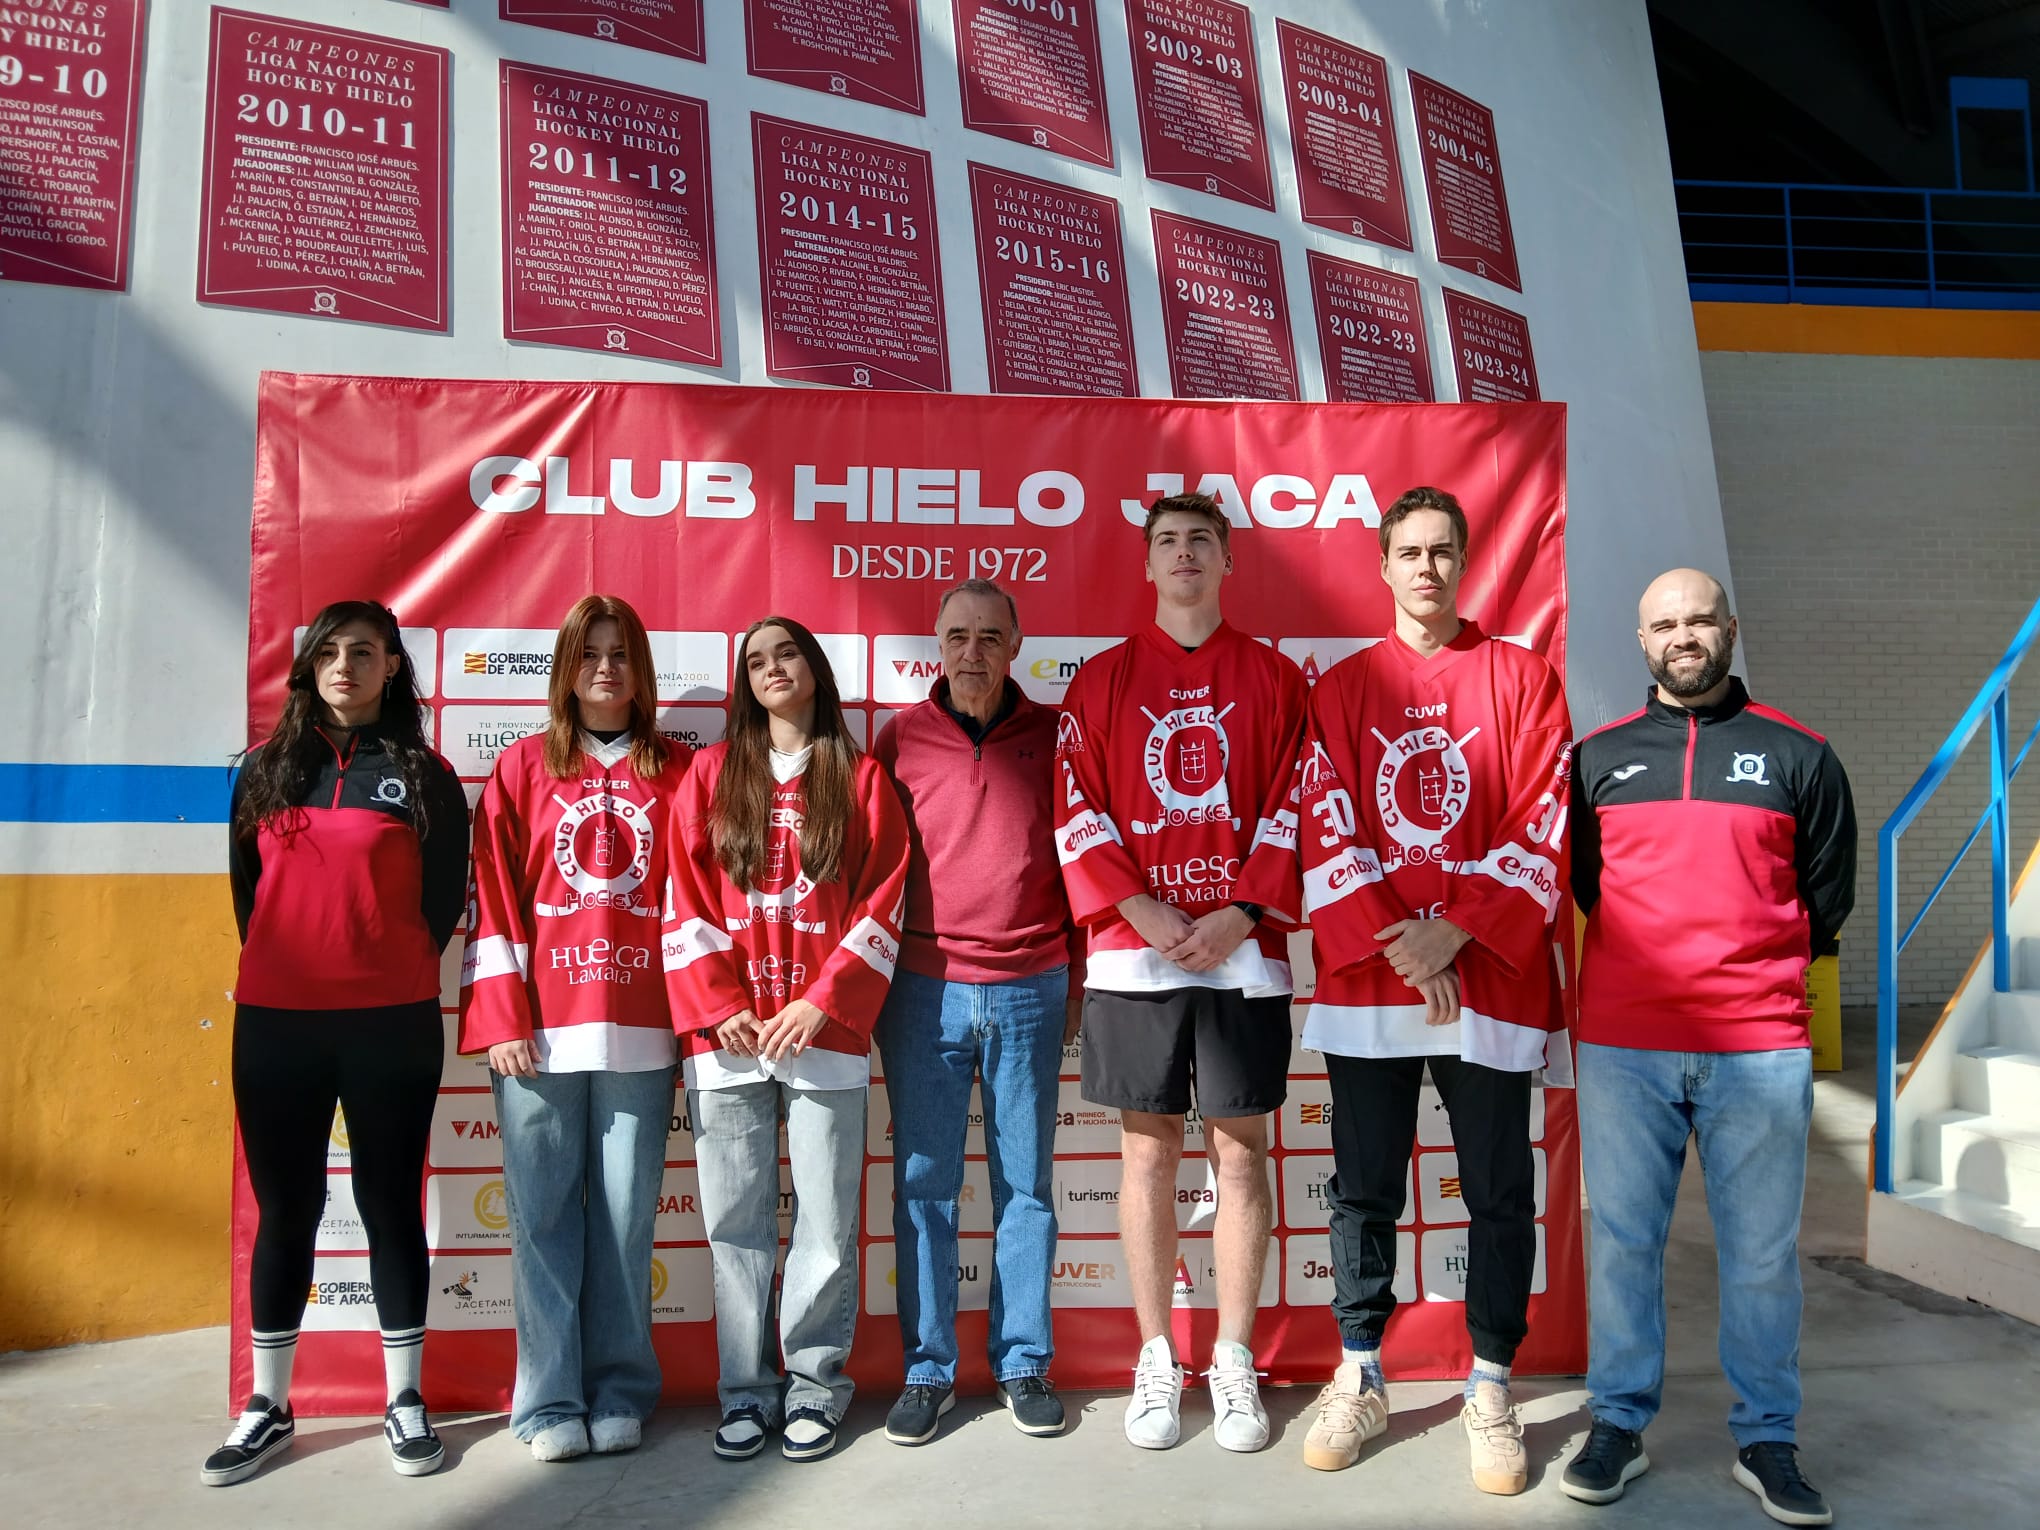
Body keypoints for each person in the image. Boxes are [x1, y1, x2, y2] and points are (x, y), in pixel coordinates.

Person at [1293, 486, 1572, 1496]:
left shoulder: (1523, 678)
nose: (1426, 567)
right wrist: (1402, 945)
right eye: (1408, 551)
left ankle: (1489, 1382)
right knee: (1362, 1188)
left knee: (1498, 1194)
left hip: (1486, 983)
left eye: (1442, 550)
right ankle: (1361, 1370)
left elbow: (1544, 813)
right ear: (1383, 564)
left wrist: (1455, 932)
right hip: (1377, 985)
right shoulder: (1341, 687)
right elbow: (1320, 819)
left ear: (1465, 560)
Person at [1562, 568, 1855, 1528]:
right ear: (1640, 641)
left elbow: (1825, 900)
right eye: (1664, 624)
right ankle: (1617, 1423)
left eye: (1699, 619)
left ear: (1731, 628)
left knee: (1762, 1254)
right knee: (1622, 1244)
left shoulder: (1800, 754)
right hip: (1624, 1044)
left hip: (1758, 1048)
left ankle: (1768, 1438)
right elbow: (1589, 889)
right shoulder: (1595, 759)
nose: (1683, 636)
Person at [1053, 492, 1308, 1454]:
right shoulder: (1102, 681)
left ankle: (1234, 1357)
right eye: (1167, 542)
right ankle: (1158, 1354)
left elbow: (1299, 799)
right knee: (1146, 1153)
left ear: (1228, 559)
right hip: (1135, 954)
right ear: (1148, 566)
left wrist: (1241, 909)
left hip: (1244, 954)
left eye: (1202, 539)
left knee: (1240, 1154)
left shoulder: (1278, 678)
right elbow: (1076, 802)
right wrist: (1144, 909)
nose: (1185, 554)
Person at [209, 600, 468, 1486]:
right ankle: (269, 1406)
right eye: (331, 651)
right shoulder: (262, 770)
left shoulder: (425, 775)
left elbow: (440, 907)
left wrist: (375, 970)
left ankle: (404, 1400)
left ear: (394, 666)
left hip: (390, 1024)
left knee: (392, 1204)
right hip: (277, 1023)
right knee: (288, 1211)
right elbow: (250, 902)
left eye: (366, 652)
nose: (347, 666)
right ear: (308, 665)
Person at [662, 616, 911, 1463]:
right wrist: (717, 1001)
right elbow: (683, 898)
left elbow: (886, 898)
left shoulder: (862, 777)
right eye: (756, 660)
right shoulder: (709, 775)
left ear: (813, 670)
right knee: (734, 1221)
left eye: (787, 654)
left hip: (824, 1036)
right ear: (745, 680)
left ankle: (813, 1386)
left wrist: (823, 1002)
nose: (773, 669)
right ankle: (745, 1392)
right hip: (727, 1036)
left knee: (826, 1223)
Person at [460, 596, 692, 1462]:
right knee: (543, 1218)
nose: (605, 668)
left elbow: (701, 903)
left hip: (642, 1034)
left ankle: (622, 1386)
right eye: (590, 654)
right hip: (540, 1036)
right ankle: (548, 1400)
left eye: (621, 654)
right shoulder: (522, 769)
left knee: (629, 1221)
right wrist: (502, 1017)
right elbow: (493, 898)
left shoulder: (678, 772)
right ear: (565, 667)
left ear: (640, 671)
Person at [871, 579, 1079, 1446]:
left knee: (1026, 1187)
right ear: (937, 643)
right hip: (923, 989)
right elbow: (872, 867)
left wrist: (1082, 978)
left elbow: (1084, 858)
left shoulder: (1056, 735)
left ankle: (1023, 1361)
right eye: (958, 635)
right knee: (923, 1187)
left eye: (990, 636)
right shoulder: (897, 739)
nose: (973, 652)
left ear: (1017, 642)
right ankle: (926, 1371)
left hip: (1033, 984)